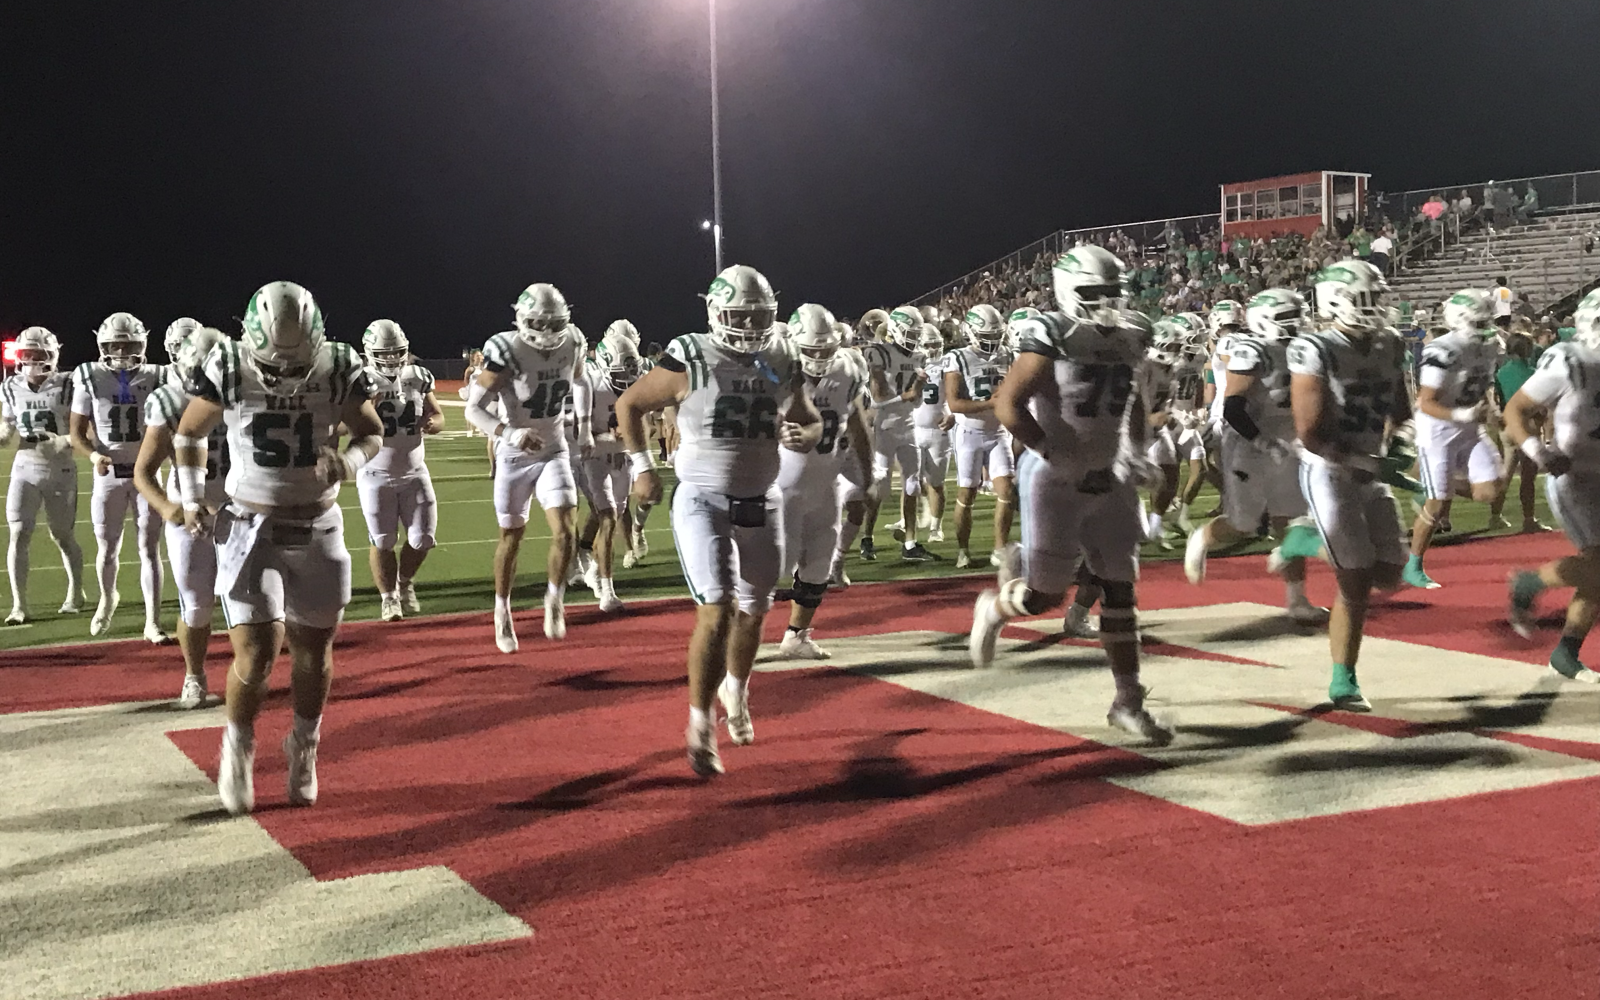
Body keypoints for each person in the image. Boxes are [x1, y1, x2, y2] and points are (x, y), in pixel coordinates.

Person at [174, 281, 384, 815]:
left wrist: (350, 463)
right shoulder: (227, 362)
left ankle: (303, 744)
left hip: (318, 524)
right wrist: (195, 497)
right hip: (252, 524)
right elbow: (189, 433)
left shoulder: (337, 363)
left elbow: (371, 432)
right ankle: (238, 746)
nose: (285, 378)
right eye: (274, 366)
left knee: (313, 651)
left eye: (295, 366)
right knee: (259, 649)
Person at [615, 264, 821, 776]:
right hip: (703, 498)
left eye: (760, 316)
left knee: (755, 610)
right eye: (740, 315)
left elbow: (808, 416)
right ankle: (699, 721)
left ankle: (738, 689)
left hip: (761, 499)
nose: (751, 326)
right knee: (718, 607)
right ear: (715, 312)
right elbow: (630, 403)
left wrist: (807, 435)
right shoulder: (692, 354)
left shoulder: (782, 353)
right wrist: (642, 468)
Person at [969, 245, 1172, 744]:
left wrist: (1137, 451)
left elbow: (1134, 402)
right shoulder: (1051, 332)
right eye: (1093, 292)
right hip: (1055, 478)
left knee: (1120, 590)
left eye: (1112, 293)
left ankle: (1127, 700)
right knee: (1044, 596)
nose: (1105, 303)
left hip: (1110, 474)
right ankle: (995, 609)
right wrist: (1057, 455)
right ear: (1067, 292)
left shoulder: (1134, 332)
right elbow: (1007, 405)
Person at [1287, 260, 1412, 711]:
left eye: (1379, 298)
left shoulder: (1391, 343)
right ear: (1336, 302)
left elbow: (1401, 411)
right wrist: (1362, 460)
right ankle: (1344, 680)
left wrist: (1401, 444)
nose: (1377, 307)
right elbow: (1309, 432)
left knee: (1390, 574)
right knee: (1355, 581)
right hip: (1329, 469)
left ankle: (1305, 539)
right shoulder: (1315, 348)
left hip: (1369, 468)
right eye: (1367, 299)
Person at [1184, 289, 1327, 623]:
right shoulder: (1251, 349)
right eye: (1287, 318)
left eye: (1299, 316)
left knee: (1289, 522)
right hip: (1249, 444)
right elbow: (1234, 406)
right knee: (1243, 524)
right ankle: (1202, 537)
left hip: (1288, 442)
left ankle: (1297, 600)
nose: (1298, 324)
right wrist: (1262, 441)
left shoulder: (1306, 349)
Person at [464, 283, 591, 652]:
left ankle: (555, 597)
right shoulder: (508, 350)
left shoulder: (574, 342)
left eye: (556, 324)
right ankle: (502, 609)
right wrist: (509, 433)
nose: (549, 332)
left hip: (553, 449)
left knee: (567, 530)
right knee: (511, 537)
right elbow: (474, 408)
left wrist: (582, 427)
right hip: (515, 456)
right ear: (523, 320)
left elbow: (581, 380)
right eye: (541, 323)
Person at [1503, 288, 1600, 681]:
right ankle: (1531, 582)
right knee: (1599, 566)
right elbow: (1516, 409)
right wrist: (1538, 453)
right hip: (1574, 477)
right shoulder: (1570, 362)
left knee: (1597, 574)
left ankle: (1565, 652)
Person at [134, 324, 228, 707]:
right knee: (196, 602)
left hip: (239, 505)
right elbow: (144, 471)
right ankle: (195, 675)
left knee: (252, 599)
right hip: (190, 511)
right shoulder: (169, 399)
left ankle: (250, 673)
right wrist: (169, 508)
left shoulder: (244, 394)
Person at [774, 305, 871, 659]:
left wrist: (868, 472)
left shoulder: (848, 365)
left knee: (820, 562)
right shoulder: (776, 367)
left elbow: (858, 422)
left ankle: (796, 636)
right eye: (811, 350)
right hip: (781, 485)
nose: (819, 356)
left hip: (826, 480)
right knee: (774, 568)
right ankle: (732, 632)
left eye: (825, 349)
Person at [69, 312, 169, 642]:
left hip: (146, 474)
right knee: (108, 549)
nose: (122, 353)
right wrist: (95, 454)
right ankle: (107, 599)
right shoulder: (90, 376)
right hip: (108, 474)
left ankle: (152, 620)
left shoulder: (157, 376)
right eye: (115, 346)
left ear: (142, 345)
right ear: (103, 346)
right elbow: (77, 433)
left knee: (149, 549)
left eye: (128, 346)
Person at [1403, 290, 1506, 588]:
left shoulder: (1488, 345)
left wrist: (1492, 407)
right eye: (1480, 321)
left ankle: (1434, 485)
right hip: (1438, 431)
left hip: (1470, 427)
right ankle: (1413, 566)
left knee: (1491, 491)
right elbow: (1426, 402)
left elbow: (1483, 381)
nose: (1487, 327)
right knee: (1436, 506)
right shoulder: (1442, 349)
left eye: (1488, 320)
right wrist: (1464, 415)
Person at [357, 320, 444, 622]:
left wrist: (435, 424)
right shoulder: (361, 379)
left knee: (423, 539)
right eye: (385, 353)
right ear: (371, 352)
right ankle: (389, 597)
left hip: (414, 470)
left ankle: (404, 583)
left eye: (397, 352)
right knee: (382, 540)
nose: (392, 359)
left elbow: (438, 414)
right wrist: (367, 410)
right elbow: (342, 425)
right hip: (375, 473)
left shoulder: (419, 376)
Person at [0, 326, 84, 624]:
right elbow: (8, 423)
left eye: (40, 354)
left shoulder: (69, 384)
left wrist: (62, 441)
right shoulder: (10, 386)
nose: (34, 360)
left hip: (60, 467)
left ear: (53, 355)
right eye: (28, 354)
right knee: (19, 532)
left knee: (62, 535)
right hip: (24, 465)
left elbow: (84, 432)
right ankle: (19, 605)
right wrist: (4, 434)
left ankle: (75, 593)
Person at [574, 323, 643, 612]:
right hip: (594, 459)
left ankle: (586, 560)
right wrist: (607, 436)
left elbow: (646, 425)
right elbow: (576, 432)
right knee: (608, 517)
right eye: (619, 374)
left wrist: (633, 442)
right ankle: (607, 589)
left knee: (611, 515)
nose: (626, 380)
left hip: (622, 459)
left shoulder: (638, 380)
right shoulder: (589, 383)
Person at [944, 304, 1016, 568]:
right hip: (969, 433)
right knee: (967, 493)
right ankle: (963, 550)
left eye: (996, 336)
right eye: (987, 337)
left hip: (998, 432)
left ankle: (1000, 548)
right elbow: (955, 403)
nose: (993, 342)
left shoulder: (1008, 355)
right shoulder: (958, 357)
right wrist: (991, 403)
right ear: (973, 333)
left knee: (1007, 489)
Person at [860, 306, 933, 562]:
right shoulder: (878, 352)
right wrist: (909, 393)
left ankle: (911, 543)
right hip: (883, 426)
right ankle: (866, 538)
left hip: (908, 425)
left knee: (912, 482)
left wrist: (918, 389)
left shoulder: (919, 356)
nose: (914, 339)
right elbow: (878, 396)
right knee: (880, 485)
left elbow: (915, 402)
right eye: (909, 333)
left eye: (916, 333)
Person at [1493, 329, 1551, 533]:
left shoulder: (1501, 372)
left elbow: (1499, 400)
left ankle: (1495, 516)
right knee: (1528, 478)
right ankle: (1528, 519)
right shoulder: (1534, 373)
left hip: (1507, 426)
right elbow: (1541, 403)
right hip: (1528, 427)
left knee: (1504, 476)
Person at [912, 322, 952, 543]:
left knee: (936, 483)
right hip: (914, 429)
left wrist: (952, 413)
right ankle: (909, 524)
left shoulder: (947, 366)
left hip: (938, 431)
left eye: (936, 344)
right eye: (928, 344)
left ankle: (936, 528)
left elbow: (956, 394)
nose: (933, 349)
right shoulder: (909, 367)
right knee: (912, 481)